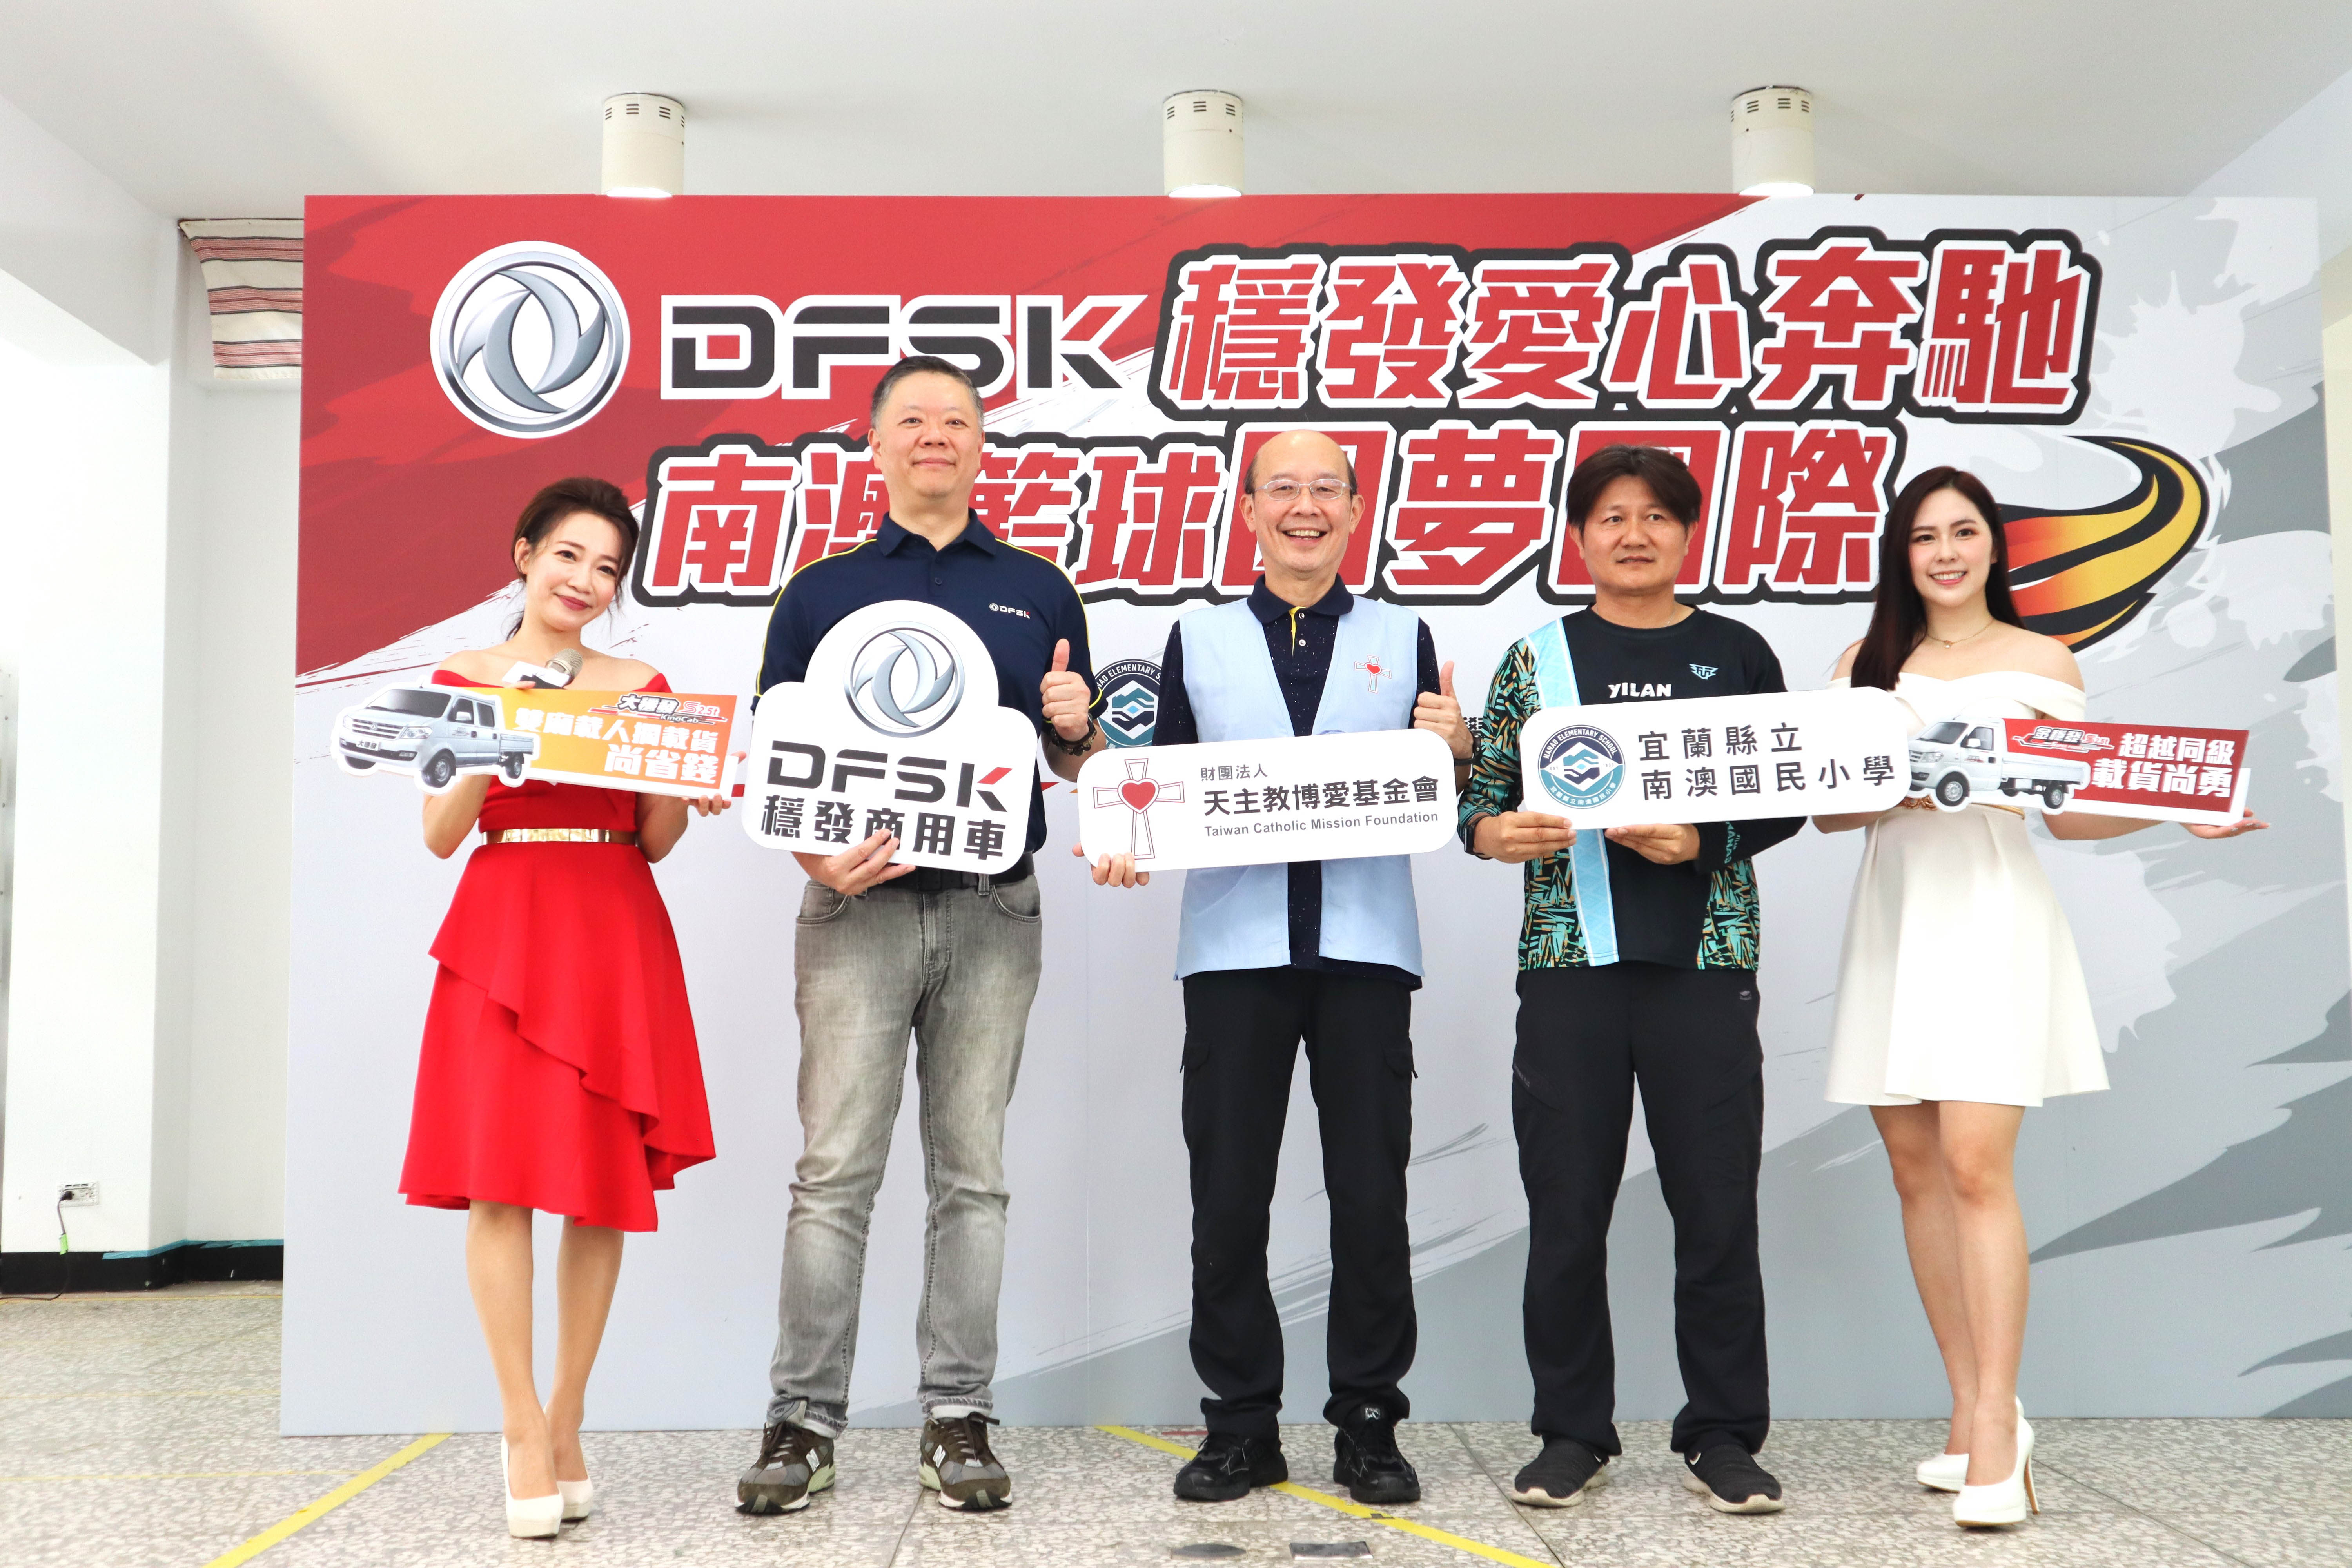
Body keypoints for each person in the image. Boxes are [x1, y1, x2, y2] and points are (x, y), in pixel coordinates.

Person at [1815, 467, 2265, 1529]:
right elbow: (1832, 815)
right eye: (1925, 536)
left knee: (1976, 1164)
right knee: (1915, 1170)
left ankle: (1998, 1430)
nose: (1946, 553)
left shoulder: (2041, 660)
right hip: (1895, 921)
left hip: (1991, 919)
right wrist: (1890, 785)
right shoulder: (1862, 666)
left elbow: (2072, 810)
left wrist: (2176, 809)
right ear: (1902, 553)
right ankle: (1972, 1410)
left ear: (1994, 546)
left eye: (1964, 532)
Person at [737, 356, 1103, 1517]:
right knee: (833, 1174)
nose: (934, 435)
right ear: (878, 443)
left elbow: (1071, 760)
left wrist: (1079, 729)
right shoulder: (821, 592)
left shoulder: (1039, 589)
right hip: (856, 911)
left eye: (955, 419)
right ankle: (802, 1422)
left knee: (973, 1176)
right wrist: (814, 862)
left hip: (995, 908)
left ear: (983, 444)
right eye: (912, 420)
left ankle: (959, 1415)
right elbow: (776, 759)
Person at [1083, 429, 1473, 1505]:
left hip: (1366, 952)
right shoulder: (1199, 637)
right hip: (1234, 953)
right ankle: (1241, 1424)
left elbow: (1434, 789)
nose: (1306, 506)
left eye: (1326, 489)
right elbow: (1155, 781)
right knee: (1229, 1198)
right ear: (1249, 510)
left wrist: (1456, 747)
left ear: (1356, 509)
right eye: (1283, 489)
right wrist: (1121, 835)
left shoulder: (1402, 635)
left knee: (1371, 1198)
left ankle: (1369, 1422)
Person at [1458, 444, 1802, 1515]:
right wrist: (1492, 834)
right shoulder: (1538, 659)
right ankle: (1573, 1433)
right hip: (1571, 965)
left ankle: (1723, 1436)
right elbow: (1480, 796)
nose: (1635, 534)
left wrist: (1700, 841)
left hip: (1707, 963)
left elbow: (1784, 795)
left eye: (1657, 515)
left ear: (1688, 533)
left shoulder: (1736, 652)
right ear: (1579, 538)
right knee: (1566, 1213)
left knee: (1717, 1209)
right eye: (1612, 516)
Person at [399, 476, 723, 1539]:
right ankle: (521, 1426)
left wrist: (687, 785)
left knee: (599, 1189)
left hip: (614, 921)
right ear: (525, 554)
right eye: (569, 556)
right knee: (501, 1185)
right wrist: (502, 725)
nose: (585, 580)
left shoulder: (643, 684)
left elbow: (657, 838)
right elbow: (441, 832)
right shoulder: (465, 677)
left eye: (607, 568)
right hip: (506, 924)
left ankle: (571, 1417)